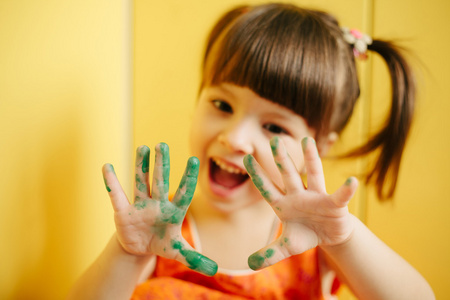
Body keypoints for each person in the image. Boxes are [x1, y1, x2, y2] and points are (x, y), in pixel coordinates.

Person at [67, 3, 435, 299]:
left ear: (319, 147)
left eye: (274, 127)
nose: (236, 137)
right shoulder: (160, 233)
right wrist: (128, 253)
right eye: (222, 105)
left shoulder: (316, 238)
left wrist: (346, 238)